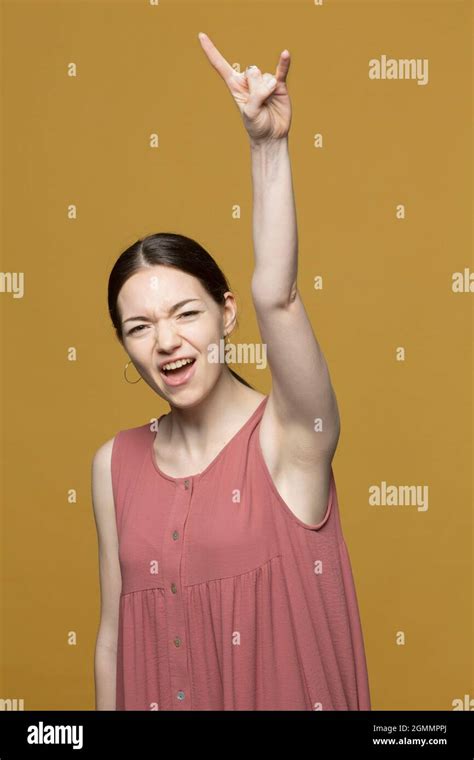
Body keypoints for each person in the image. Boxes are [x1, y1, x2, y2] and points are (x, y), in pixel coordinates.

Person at [92, 32, 371, 711]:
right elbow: (111, 640)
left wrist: (268, 147)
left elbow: (279, 292)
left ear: (226, 314)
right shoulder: (114, 465)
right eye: (139, 327)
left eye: (185, 313)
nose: (166, 342)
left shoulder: (290, 440)